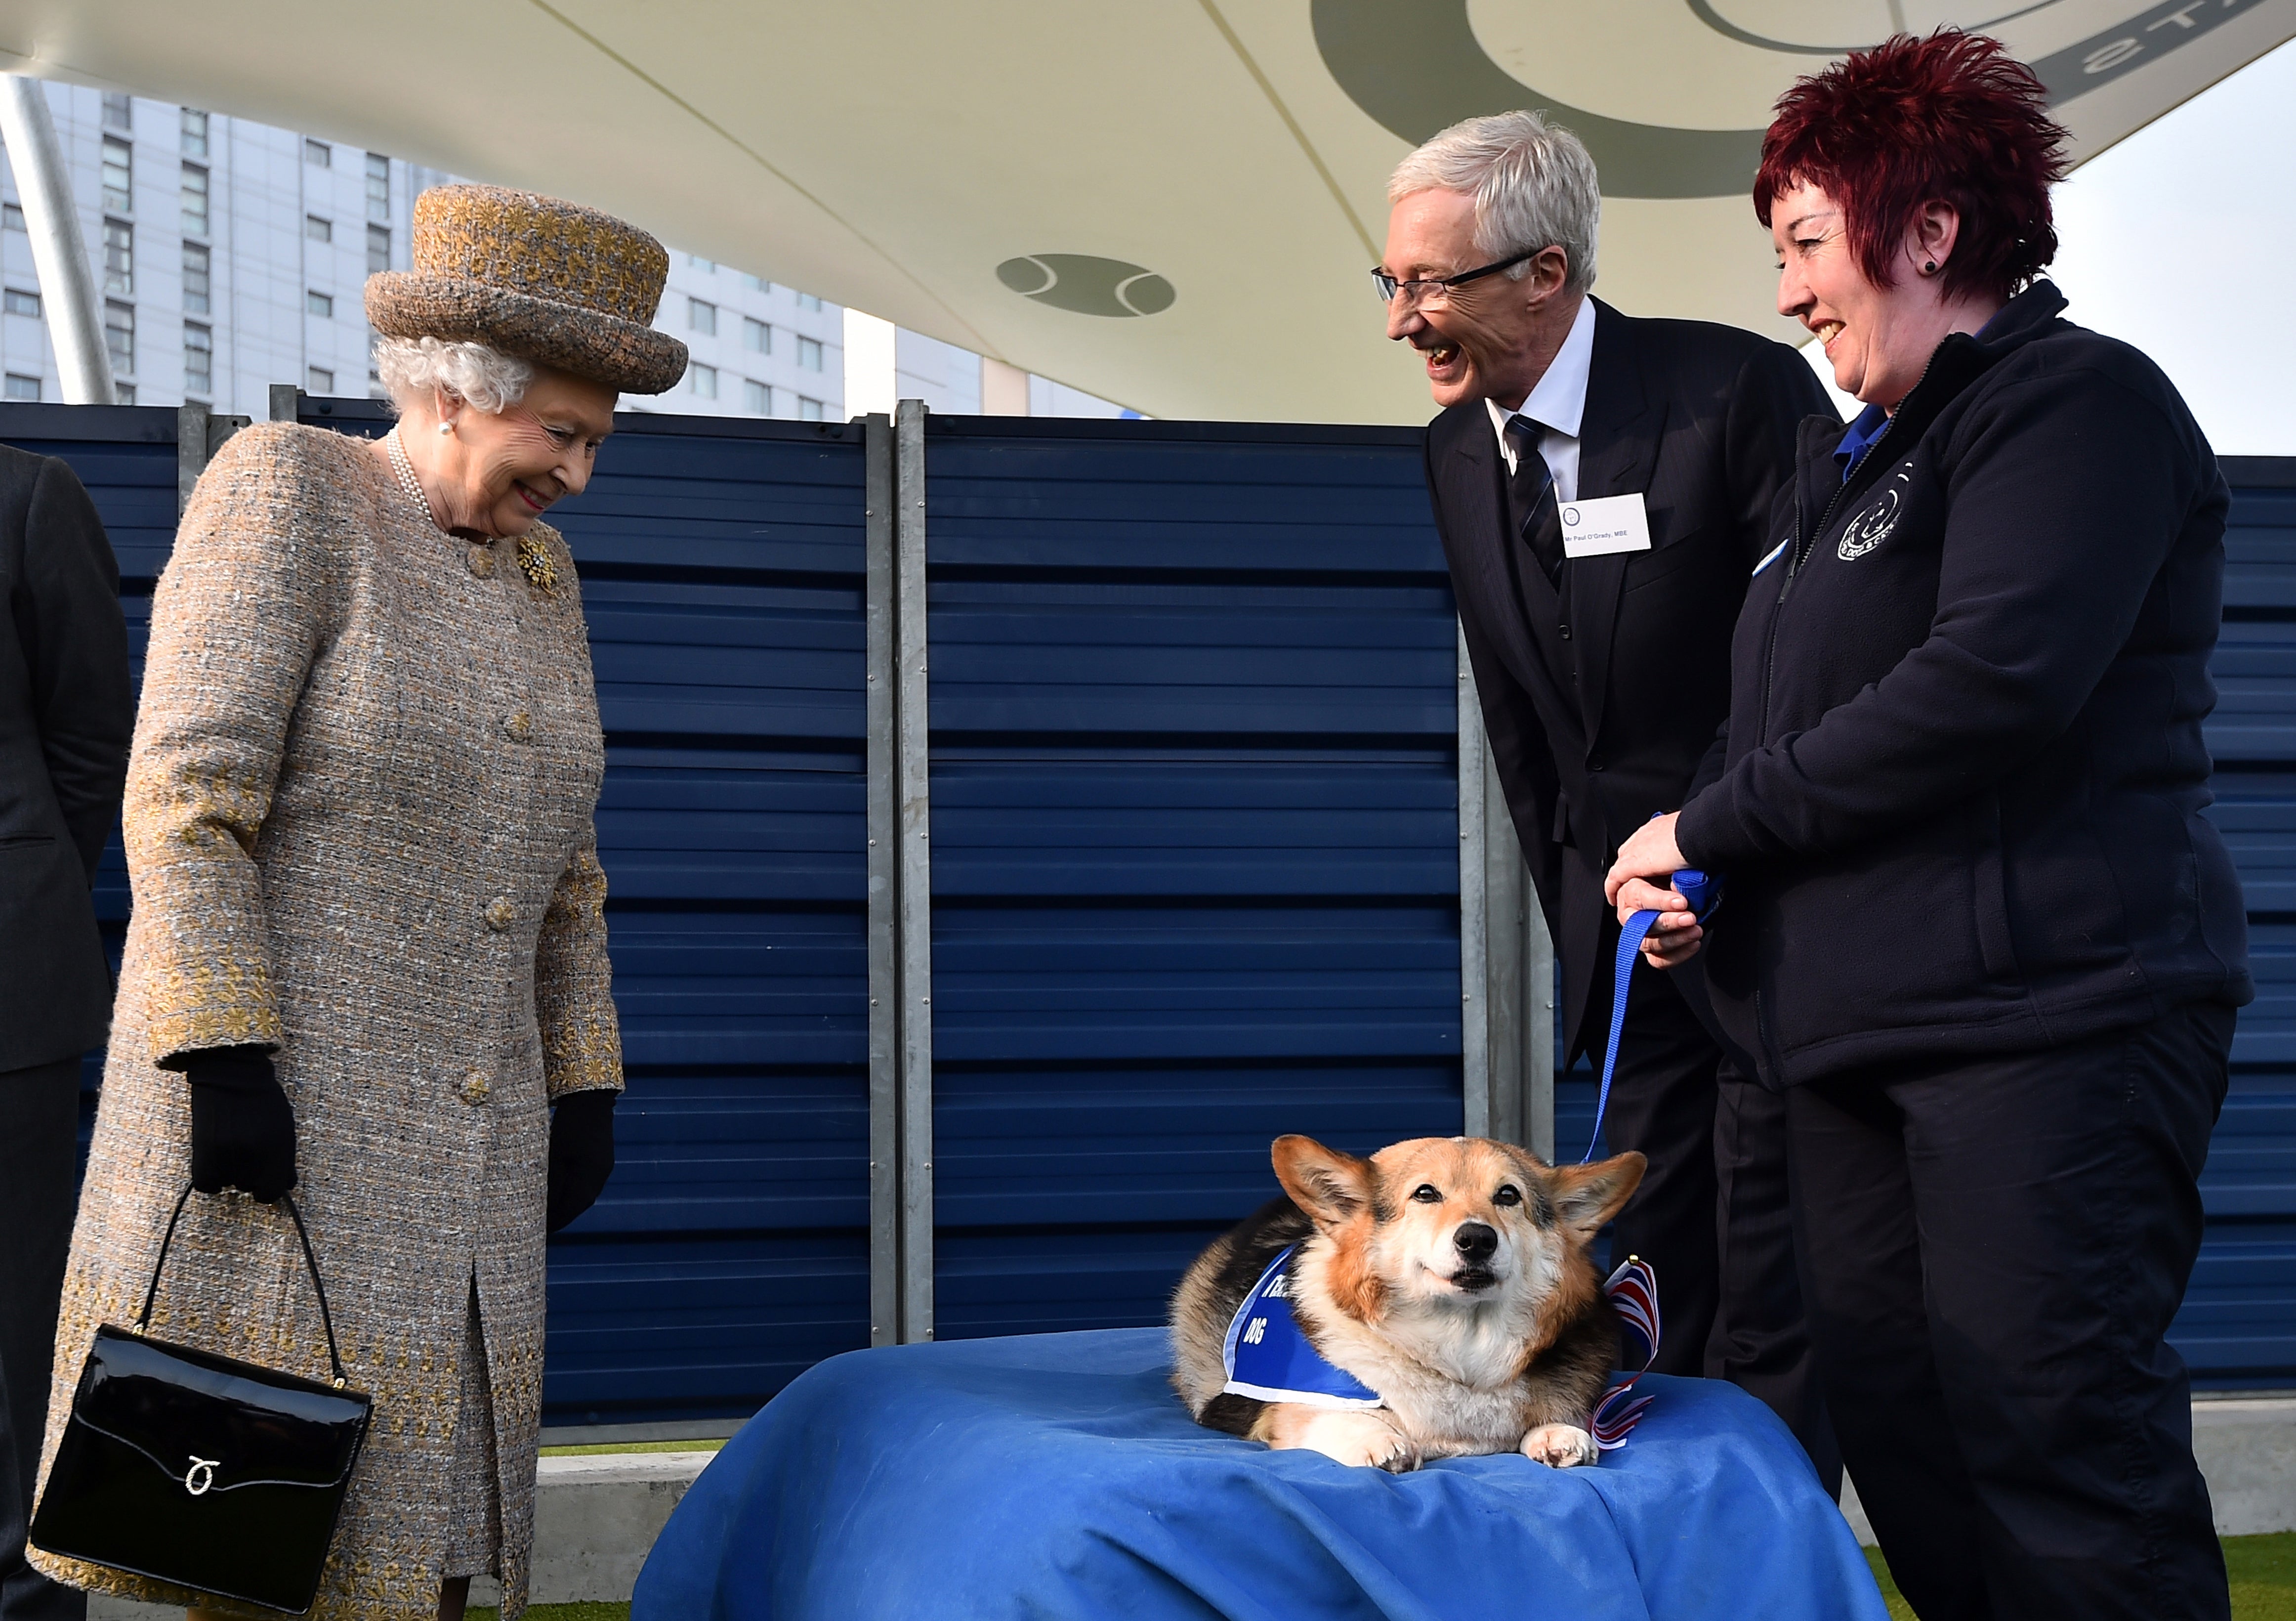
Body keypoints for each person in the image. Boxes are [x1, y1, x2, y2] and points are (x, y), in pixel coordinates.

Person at [1607, 32, 2251, 1621]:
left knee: (2053, 1437)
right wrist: (1710, 879)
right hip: (1842, 1052)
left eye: (1807, 245)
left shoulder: (2076, 404)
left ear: (1930, 231)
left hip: (2049, 1031)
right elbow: (1784, 738)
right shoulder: (1848, 472)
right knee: (1908, 1442)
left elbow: (1993, 682)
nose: (1787, 294)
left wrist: (1716, 817)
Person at [28, 184, 688, 1621]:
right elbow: (187, 797)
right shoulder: (292, 489)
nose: (578, 473)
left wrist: (585, 1085)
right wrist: (221, 1059)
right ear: (456, 392)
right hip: (287, 1134)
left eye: (594, 441)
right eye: (559, 434)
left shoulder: (539, 574)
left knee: (440, 1553)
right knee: (262, 1548)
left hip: (479, 1154)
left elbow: (567, 865)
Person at [1380, 111, 1838, 1479]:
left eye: (1432, 283)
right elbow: (1528, 738)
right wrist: (1589, 925)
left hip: (1782, 934)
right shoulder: (1456, 454)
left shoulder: (1736, 397)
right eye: (1392, 281)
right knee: (1637, 1302)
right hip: (1633, 962)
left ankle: (1774, 1549)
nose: (1405, 321)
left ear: (1548, 270)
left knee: (1788, 1294)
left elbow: (1806, 670)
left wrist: (1704, 857)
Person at [0, 446, 132, 1621]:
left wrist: (27, 891)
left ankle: (27, 1601)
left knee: (13, 1333)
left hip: (8, 996)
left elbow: (93, 741)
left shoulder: (30, 497)